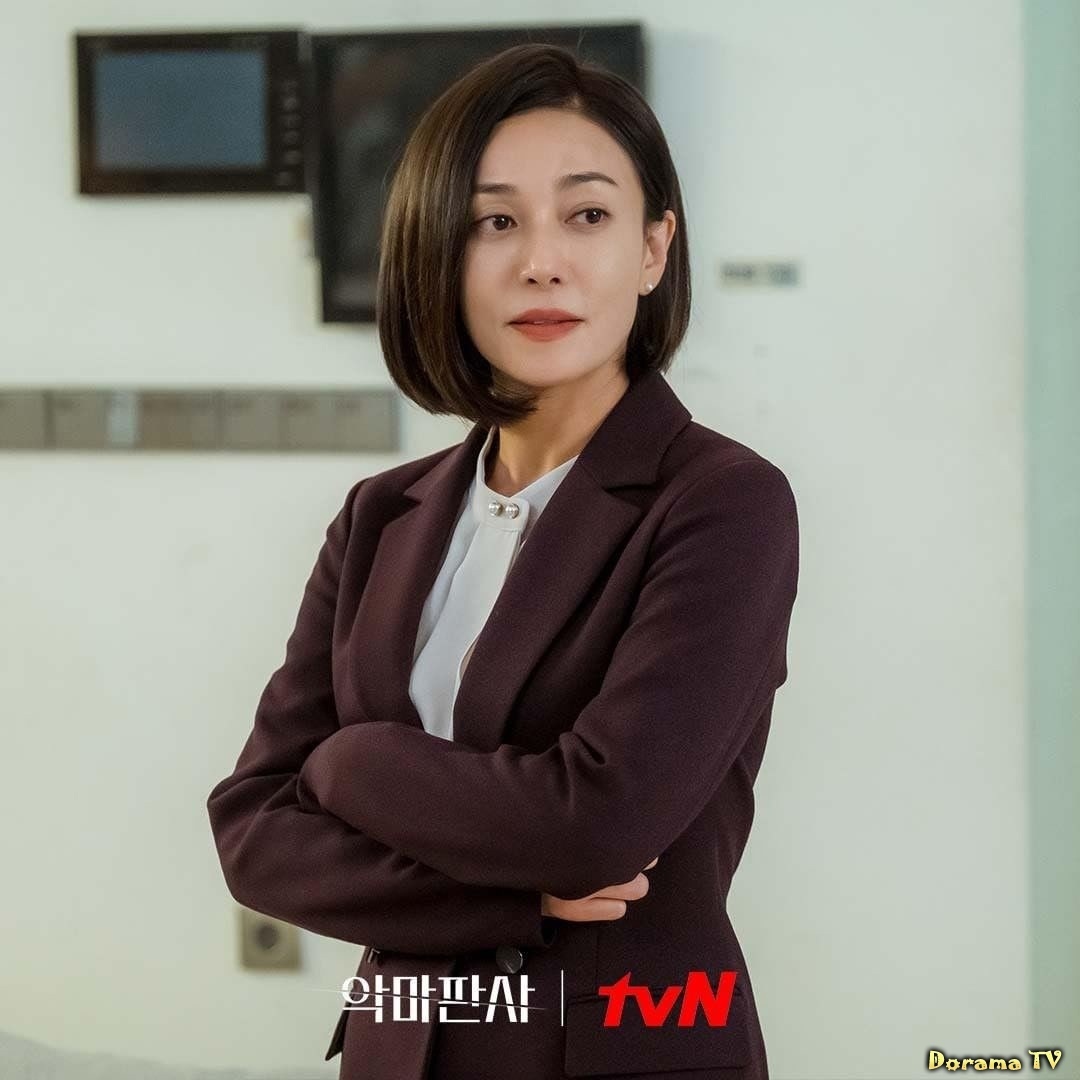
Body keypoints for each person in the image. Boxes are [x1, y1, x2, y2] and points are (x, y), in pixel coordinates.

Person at [206, 42, 799, 1080]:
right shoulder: (381, 515)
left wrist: (352, 764)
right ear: (438, 254)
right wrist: (510, 896)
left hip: (619, 1050)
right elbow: (254, 831)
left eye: (588, 215)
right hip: (396, 1050)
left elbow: (598, 824)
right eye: (493, 222)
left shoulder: (722, 503)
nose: (541, 262)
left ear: (654, 249)